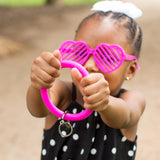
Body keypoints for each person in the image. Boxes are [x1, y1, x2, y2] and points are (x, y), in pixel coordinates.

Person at [26, 1, 146, 160]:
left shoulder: (132, 100)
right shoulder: (63, 92)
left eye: (106, 57)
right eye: (81, 52)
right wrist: (39, 84)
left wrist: (106, 103)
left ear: (130, 69)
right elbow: (38, 109)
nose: (89, 65)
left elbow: (126, 116)